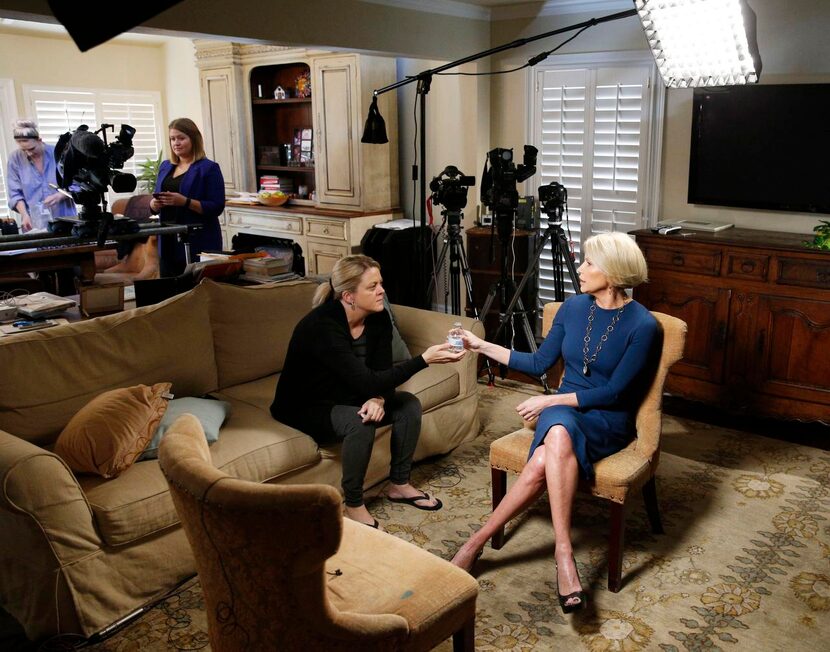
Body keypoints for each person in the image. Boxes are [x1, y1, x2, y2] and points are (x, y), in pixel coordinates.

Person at [450, 232, 658, 614]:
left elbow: (614, 393)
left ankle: (476, 542)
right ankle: (564, 554)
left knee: (547, 453)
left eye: (589, 263)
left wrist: (550, 399)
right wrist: (481, 346)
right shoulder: (572, 308)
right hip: (564, 411)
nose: (579, 269)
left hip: (607, 419)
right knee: (558, 430)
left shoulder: (644, 326)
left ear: (612, 272)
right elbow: (536, 363)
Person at [271, 255, 466, 529]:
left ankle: (399, 484)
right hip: (307, 404)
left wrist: (380, 398)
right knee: (360, 423)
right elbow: (365, 382)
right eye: (372, 286)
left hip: (348, 393)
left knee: (408, 405)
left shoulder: (378, 318)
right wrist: (423, 359)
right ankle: (353, 503)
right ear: (349, 295)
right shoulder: (322, 326)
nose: (381, 291)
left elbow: (380, 373)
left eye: (381, 283)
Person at [149, 118, 225, 277]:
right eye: (172, 138)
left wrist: (185, 202)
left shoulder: (208, 168)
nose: (176, 143)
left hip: (198, 241)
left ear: (194, 139)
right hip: (168, 240)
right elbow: (156, 198)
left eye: (181, 138)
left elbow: (216, 206)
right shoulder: (165, 166)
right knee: (170, 293)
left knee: (197, 293)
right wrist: (153, 204)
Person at [7, 119, 76, 231]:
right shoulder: (15, 159)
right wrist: (24, 215)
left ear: (39, 140)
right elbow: (15, 194)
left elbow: (77, 184)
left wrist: (60, 196)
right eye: (23, 150)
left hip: (65, 221)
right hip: (35, 225)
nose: (28, 153)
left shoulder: (59, 154)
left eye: (31, 149)